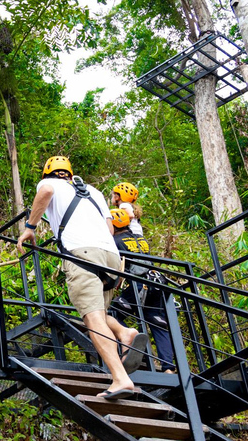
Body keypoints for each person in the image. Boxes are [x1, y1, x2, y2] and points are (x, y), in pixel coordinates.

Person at [17, 156, 148, 400]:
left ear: (48, 172)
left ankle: (120, 379)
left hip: (81, 254)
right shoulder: (94, 191)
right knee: (98, 313)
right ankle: (125, 332)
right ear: (69, 173)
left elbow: (45, 190)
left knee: (92, 319)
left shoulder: (48, 183)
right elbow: (110, 229)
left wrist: (30, 228)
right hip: (111, 258)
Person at [110, 209, 176, 374]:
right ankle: (168, 367)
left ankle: (134, 343)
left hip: (138, 285)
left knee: (112, 314)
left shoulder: (115, 241)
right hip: (155, 283)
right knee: (158, 322)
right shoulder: (140, 239)